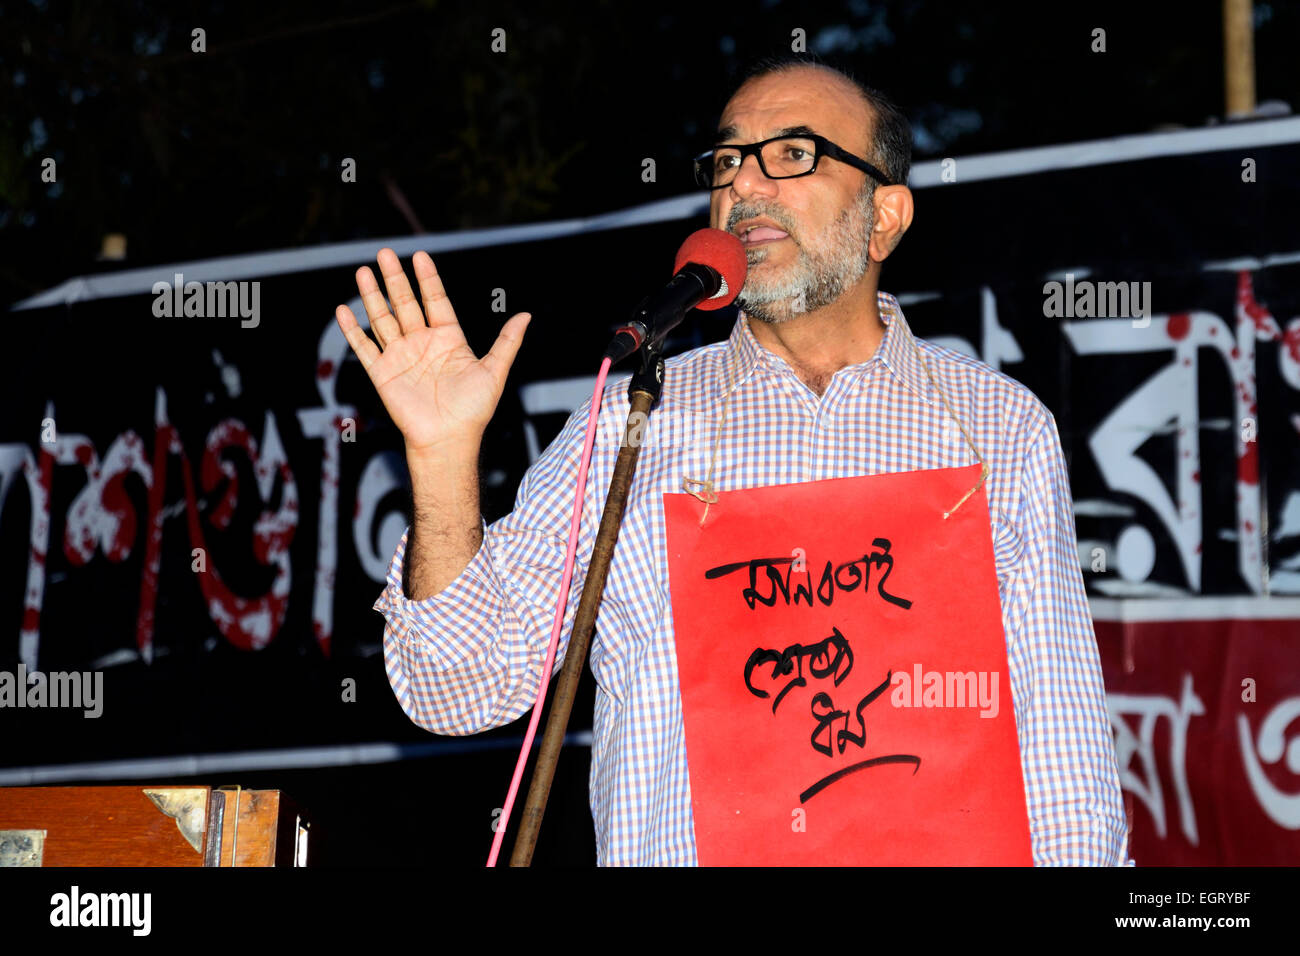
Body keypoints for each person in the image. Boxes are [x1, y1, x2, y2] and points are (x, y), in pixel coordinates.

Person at [335, 56, 1132, 866]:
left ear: (885, 218)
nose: (745, 186)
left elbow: (1062, 750)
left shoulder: (997, 427)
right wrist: (440, 459)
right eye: (727, 161)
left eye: (793, 154)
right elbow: (457, 690)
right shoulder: (631, 422)